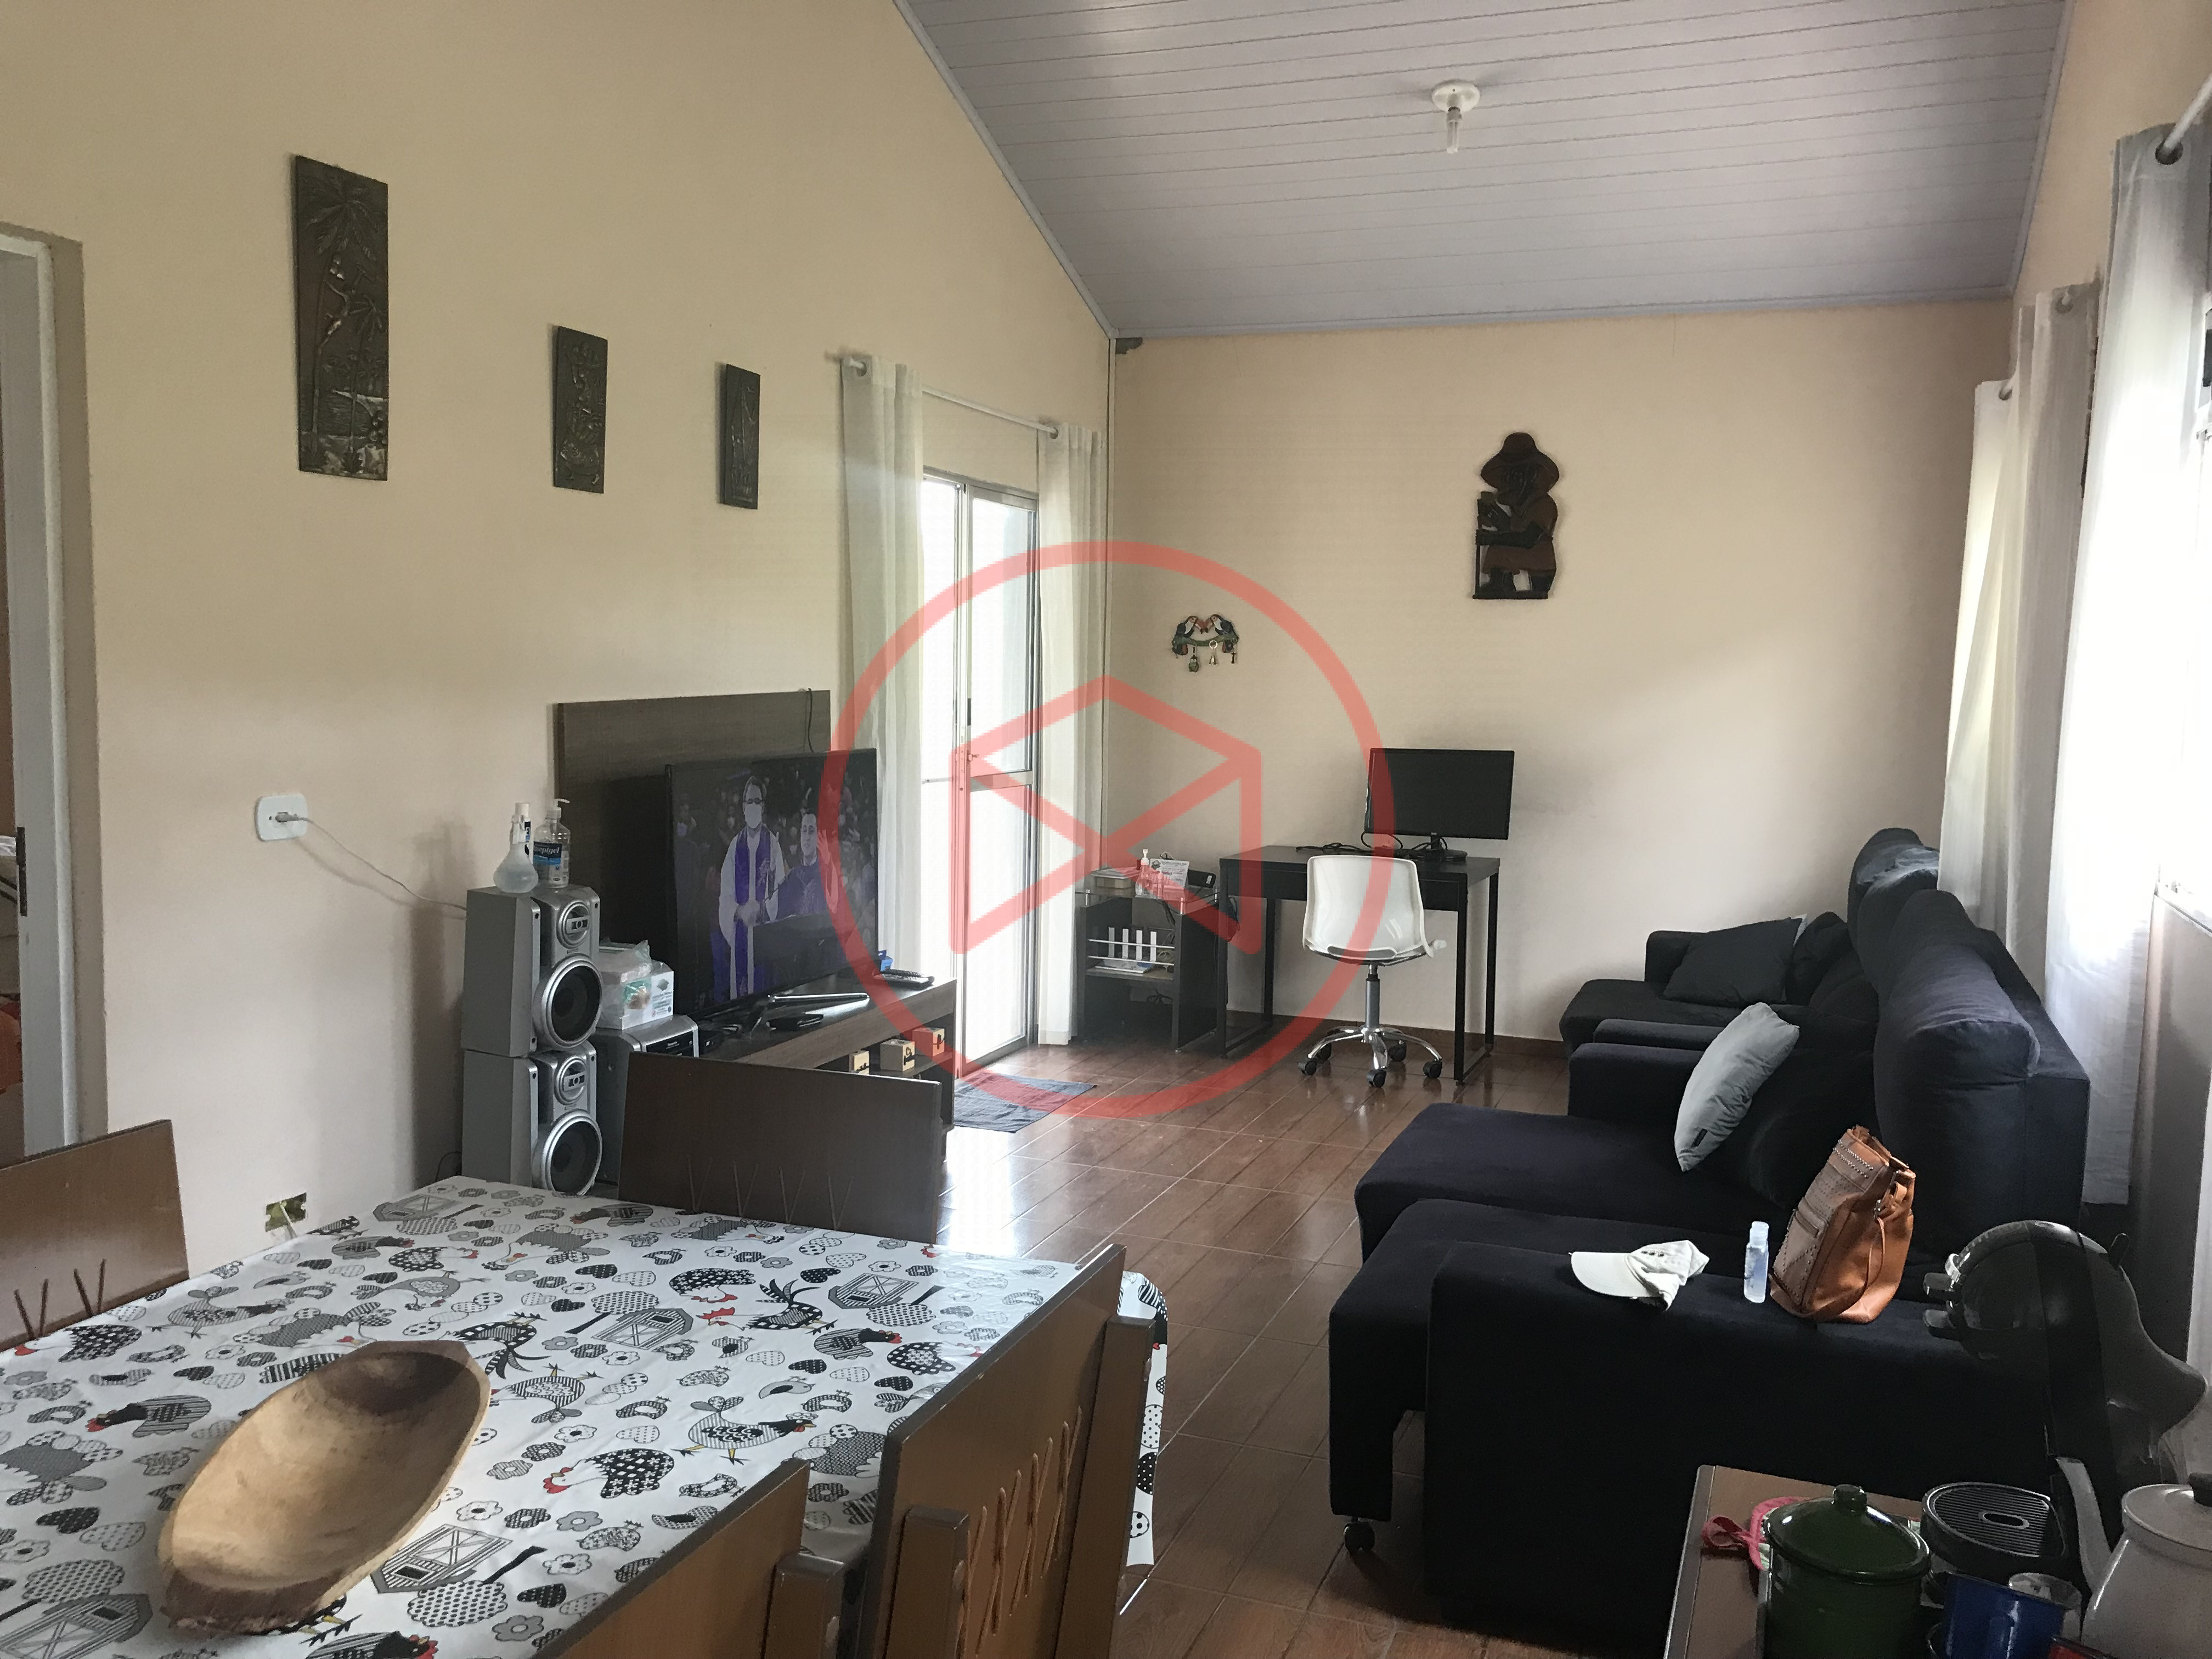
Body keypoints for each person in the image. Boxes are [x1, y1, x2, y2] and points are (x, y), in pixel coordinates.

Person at [715, 775, 786, 1001]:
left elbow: (781, 890)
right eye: (749, 802)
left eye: (757, 801)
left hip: (765, 936)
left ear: (763, 807)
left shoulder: (773, 845)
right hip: (742, 935)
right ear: (743, 808)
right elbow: (725, 897)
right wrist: (740, 911)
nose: (753, 806)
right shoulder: (735, 847)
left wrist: (762, 909)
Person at [775, 794, 827, 919]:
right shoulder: (791, 878)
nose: (807, 837)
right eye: (804, 831)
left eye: (811, 831)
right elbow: (779, 916)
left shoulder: (827, 876)